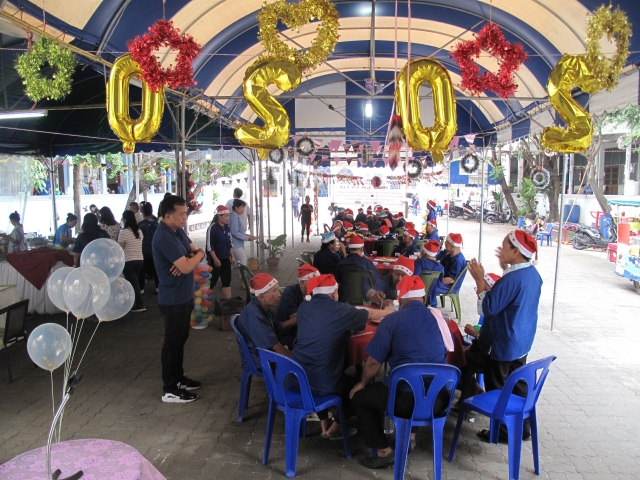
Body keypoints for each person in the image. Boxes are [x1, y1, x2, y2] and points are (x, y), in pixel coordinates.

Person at [350, 275, 453, 468]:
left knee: (360, 398)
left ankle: (383, 451)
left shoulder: (391, 320)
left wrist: (362, 383)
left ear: (400, 298)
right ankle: (410, 437)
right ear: (423, 298)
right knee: (422, 380)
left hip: (404, 401)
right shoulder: (441, 320)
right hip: (439, 400)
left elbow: (373, 363)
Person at [467, 230, 542, 443]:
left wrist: (479, 280)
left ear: (516, 251)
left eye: (504, 246)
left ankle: (502, 432)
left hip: (503, 342)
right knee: (518, 383)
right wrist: (505, 268)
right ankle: (523, 427)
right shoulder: (532, 274)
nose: (501, 249)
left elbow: (488, 308)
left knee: (497, 385)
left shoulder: (511, 279)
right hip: (522, 340)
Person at [294, 274, 391, 438]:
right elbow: (367, 315)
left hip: (296, 377)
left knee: (321, 366)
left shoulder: (304, 307)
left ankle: (324, 421)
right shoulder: (339, 309)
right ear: (333, 293)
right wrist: (386, 311)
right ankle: (335, 428)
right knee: (358, 391)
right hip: (322, 381)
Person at [152, 195, 207, 403]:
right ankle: (170, 388)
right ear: (168, 216)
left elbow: (192, 250)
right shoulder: (164, 236)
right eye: (181, 214)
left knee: (181, 339)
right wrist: (195, 257)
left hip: (184, 294)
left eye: (186, 213)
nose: (185, 217)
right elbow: (186, 266)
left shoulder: (178, 231)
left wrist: (193, 256)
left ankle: (178, 377)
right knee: (172, 343)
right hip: (172, 298)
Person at [455, 273, 501, 409]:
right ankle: (473, 388)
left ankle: (465, 400)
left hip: (493, 357)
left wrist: (476, 335)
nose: (477, 293)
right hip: (485, 349)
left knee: (460, 361)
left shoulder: (495, 312)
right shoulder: (491, 309)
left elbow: (492, 340)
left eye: (481, 289)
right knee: (462, 354)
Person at [236, 273, 290, 369]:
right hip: (258, 358)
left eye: (278, 290)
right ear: (261, 296)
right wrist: (296, 360)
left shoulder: (265, 307)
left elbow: (279, 326)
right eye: (274, 291)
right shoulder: (253, 314)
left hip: (264, 350)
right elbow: (275, 346)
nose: (279, 294)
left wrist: (297, 318)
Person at [275, 264, 319, 348]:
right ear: (302, 283)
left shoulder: (314, 293)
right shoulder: (290, 292)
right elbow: (295, 317)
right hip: (289, 334)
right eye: (313, 282)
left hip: (303, 333)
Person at [206, 205, 236, 299]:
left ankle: (229, 302)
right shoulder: (212, 228)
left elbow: (229, 243)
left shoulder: (227, 227)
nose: (228, 218)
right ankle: (203, 300)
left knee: (226, 281)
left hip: (226, 258)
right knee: (212, 281)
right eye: (226, 216)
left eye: (228, 216)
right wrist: (215, 259)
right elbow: (210, 246)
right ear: (219, 216)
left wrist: (232, 256)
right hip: (214, 259)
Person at [337, 235, 380, 300]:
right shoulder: (366, 262)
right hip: (365, 297)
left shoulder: (341, 263)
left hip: (345, 297)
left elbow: (337, 280)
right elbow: (376, 280)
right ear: (362, 248)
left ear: (348, 249)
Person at [119, 210, 146, 313]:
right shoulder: (139, 231)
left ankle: (140, 304)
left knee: (133, 283)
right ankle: (136, 302)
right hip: (140, 260)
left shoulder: (123, 232)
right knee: (135, 282)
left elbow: (120, 248)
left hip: (128, 261)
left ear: (125, 220)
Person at [138, 202, 159, 295]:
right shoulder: (157, 225)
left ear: (143, 212)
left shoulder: (140, 225)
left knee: (142, 270)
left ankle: (141, 288)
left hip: (143, 250)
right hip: (155, 251)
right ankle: (158, 287)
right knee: (156, 270)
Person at [229, 199, 257, 267]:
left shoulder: (236, 216)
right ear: (236, 207)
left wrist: (248, 235)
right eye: (242, 207)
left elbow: (239, 231)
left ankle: (240, 273)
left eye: (244, 207)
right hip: (235, 244)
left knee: (239, 262)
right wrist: (247, 238)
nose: (243, 209)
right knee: (243, 260)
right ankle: (242, 274)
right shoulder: (234, 217)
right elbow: (234, 232)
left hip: (238, 243)